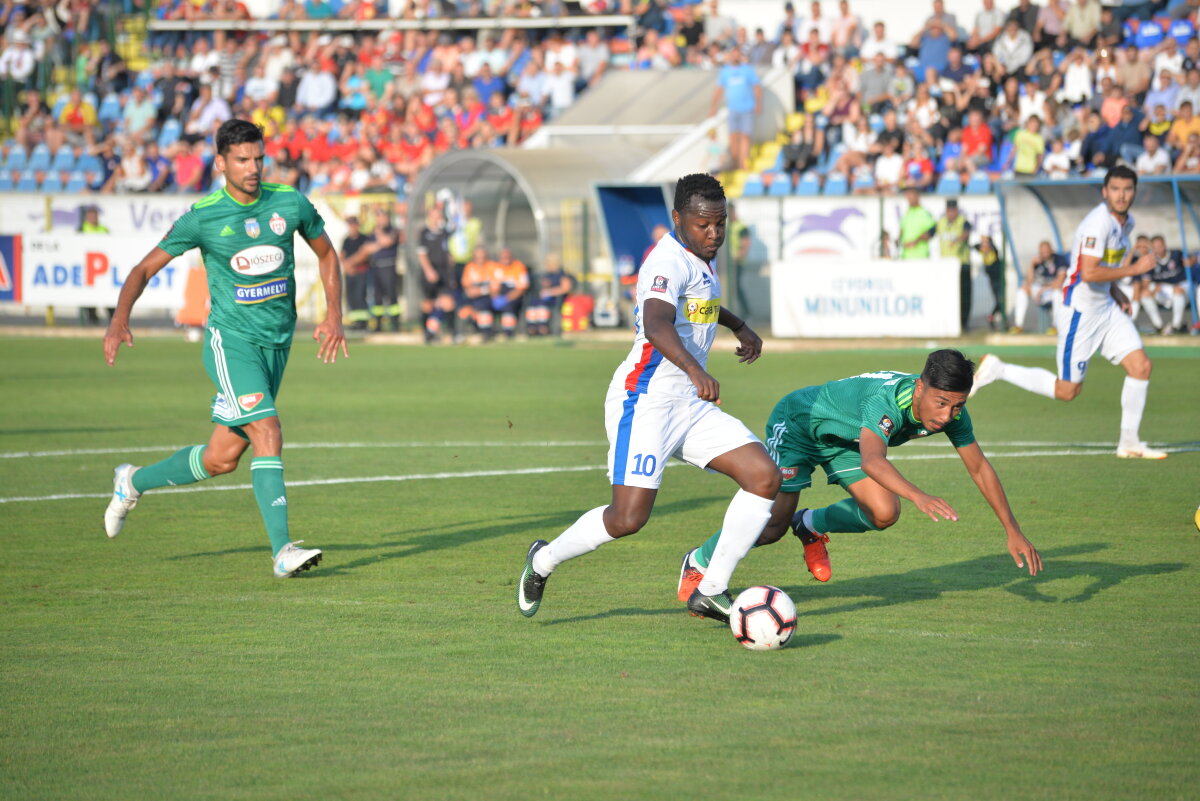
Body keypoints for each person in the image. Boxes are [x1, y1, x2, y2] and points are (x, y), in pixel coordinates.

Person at [517, 174, 779, 624]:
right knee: (628, 518)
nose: (714, 234)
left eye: (720, 224)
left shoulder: (700, 256)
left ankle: (710, 587)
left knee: (764, 478)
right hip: (646, 402)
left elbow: (701, 303)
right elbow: (658, 323)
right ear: (677, 219)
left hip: (689, 405)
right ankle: (543, 561)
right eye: (703, 225)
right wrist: (696, 368)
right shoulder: (666, 262)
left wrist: (737, 325)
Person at [101, 119, 347, 578]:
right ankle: (282, 551)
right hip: (230, 342)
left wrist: (334, 315)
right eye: (242, 160)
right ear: (220, 163)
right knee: (268, 431)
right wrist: (119, 320)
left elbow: (327, 253)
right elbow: (142, 269)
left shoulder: (289, 202)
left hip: (277, 344)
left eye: (258, 158)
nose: (253, 168)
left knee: (221, 458)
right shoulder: (203, 216)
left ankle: (131, 481)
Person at [676, 350, 1042, 599]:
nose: (947, 416)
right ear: (920, 387)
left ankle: (810, 525)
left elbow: (979, 466)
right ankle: (699, 561)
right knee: (771, 528)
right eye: (941, 403)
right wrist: (919, 495)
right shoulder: (887, 403)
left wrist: (1012, 530)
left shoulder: (955, 415)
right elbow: (873, 462)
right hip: (799, 423)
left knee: (884, 512)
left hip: (844, 439)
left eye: (957, 405)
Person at [971, 165, 1166, 460]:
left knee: (1141, 367)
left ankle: (1129, 443)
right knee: (1067, 391)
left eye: (1127, 189)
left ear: (1135, 192)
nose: (1121, 195)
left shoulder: (1126, 223)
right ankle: (999, 369)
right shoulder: (1096, 224)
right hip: (1080, 311)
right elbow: (1087, 272)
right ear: (1104, 192)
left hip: (1106, 307)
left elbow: (1102, 267)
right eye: (1115, 189)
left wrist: (1115, 290)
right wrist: (1134, 270)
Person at [709, 48, 762, 172]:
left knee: (745, 136)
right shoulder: (725, 71)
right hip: (733, 109)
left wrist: (759, 103)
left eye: (737, 55)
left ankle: (743, 163)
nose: (735, 57)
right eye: (733, 55)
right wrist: (713, 105)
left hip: (747, 108)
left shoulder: (747, 70)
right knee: (733, 136)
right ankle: (735, 162)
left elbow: (757, 86)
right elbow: (719, 89)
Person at [415, 204, 455, 344]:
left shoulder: (445, 233)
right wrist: (429, 270)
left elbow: (449, 252)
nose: (437, 218)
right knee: (428, 303)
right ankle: (427, 334)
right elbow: (422, 254)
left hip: (444, 273)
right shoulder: (424, 233)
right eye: (434, 215)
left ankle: (451, 333)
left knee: (448, 302)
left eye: (439, 215)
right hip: (430, 272)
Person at [1012, 240, 1067, 334]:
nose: (1044, 254)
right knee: (1022, 290)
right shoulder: (1037, 262)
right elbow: (1029, 282)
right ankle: (1018, 325)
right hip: (1039, 291)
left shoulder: (1059, 260)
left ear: (1051, 250)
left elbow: (1059, 282)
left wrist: (1042, 290)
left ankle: (1055, 326)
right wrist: (1031, 265)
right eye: (1042, 252)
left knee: (1058, 294)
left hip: (1051, 291)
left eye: (1046, 251)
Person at [1138, 235, 1189, 335]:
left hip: (1182, 287)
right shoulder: (1150, 261)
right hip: (1162, 290)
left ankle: (1176, 326)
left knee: (1177, 290)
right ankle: (1159, 326)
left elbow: (1191, 261)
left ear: (1165, 245)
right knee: (1144, 294)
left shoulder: (1176, 254)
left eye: (1160, 246)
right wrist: (1152, 288)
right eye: (1155, 247)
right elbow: (1145, 283)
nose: (1158, 249)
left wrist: (1190, 261)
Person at [936, 199, 973, 331]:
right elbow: (929, 232)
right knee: (948, 298)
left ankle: (964, 324)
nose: (951, 213)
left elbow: (966, 232)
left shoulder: (963, 221)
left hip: (962, 265)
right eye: (949, 210)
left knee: (964, 298)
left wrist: (957, 239)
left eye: (953, 210)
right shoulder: (941, 222)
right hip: (946, 268)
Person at [366, 206, 402, 332]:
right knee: (377, 297)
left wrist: (379, 233)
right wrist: (379, 243)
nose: (380, 220)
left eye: (382, 217)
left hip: (388, 266)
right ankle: (378, 324)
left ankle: (395, 323)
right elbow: (368, 248)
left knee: (391, 295)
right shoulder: (372, 232)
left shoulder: (393, 230)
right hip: (376, 266)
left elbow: (387, 242)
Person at [525, 252, 573, 337]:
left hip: (556, 299)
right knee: (533, 303)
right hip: (545, 298)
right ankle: (532, 328)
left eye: (549, 264)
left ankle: (543, 328)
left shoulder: (562, 274)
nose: (548, 266)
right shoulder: (547, 275)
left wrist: (551, 292)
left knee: (542, 305)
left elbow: (566, 288)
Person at [339, 215, 373, 331]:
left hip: (360, 272)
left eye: (353, 224)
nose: (352, 227)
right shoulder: (346, 240)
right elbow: (342, 255)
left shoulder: (363, 239)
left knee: (360, 296)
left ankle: (363, 322)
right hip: (350, 273)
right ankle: (355, 321)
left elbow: (363, 255)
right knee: (351, 297)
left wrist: (350, 264)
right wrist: (346, 266)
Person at [491, 247, 529, 339]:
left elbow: (522, 288)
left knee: (508, 307)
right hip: (500, 295)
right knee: (483, 306)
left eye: (507, 257)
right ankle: (487, 333)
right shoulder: (497, 268)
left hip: (514, 297)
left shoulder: (519, 267)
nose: (505, 259)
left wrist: (506, 299)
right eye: (503, 257)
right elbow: (493, 286)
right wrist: (495, 297)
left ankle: (507, 333)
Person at [977, 234, 1006, 330]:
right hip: (993, 281)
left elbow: (994, 247)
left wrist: (988, 240)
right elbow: (975, 246)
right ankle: (994, 318)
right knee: (999, 301)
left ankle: (993, 317)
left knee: (1001, 301)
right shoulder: (983, 252)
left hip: (1000, 280)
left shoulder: (994, 252)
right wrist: (982, 242)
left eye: (986, 244)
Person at [898, 187, 936, 260]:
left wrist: (915, 241)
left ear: (917, 196)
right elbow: (902, 230)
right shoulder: (907, 213)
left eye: (910, 195)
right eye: (907, 196)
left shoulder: (924, 213)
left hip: (920, 256)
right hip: (905, 256)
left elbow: (931, 231)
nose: (908, 198)